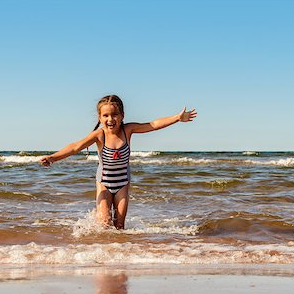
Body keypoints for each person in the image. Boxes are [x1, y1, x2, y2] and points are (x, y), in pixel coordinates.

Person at [40, 95, 197, 229]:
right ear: (100, 117)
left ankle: (119, 256)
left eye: (114, 115)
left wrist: (177, 118)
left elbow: (153, 125)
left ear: (122, 115)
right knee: (104, 223)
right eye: (106, 115)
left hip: (122, 184)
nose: (110, 119)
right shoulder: (99, 135)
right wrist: (53, 158)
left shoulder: (127, 130)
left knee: (120, 226)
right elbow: (75, 147)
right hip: (104, 183)